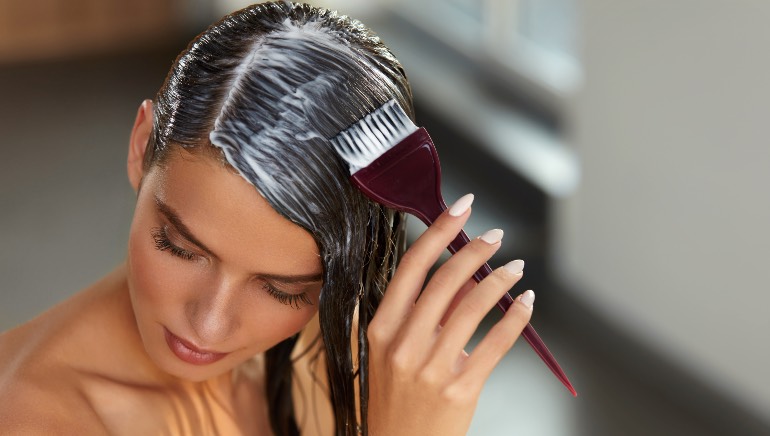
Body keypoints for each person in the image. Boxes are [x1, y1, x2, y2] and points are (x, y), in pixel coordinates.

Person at [0, 2, 534, 435]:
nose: (209, 324)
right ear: (142, 146)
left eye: (281, 290)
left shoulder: (337, 345)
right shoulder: (31, 419)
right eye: (180, 248)